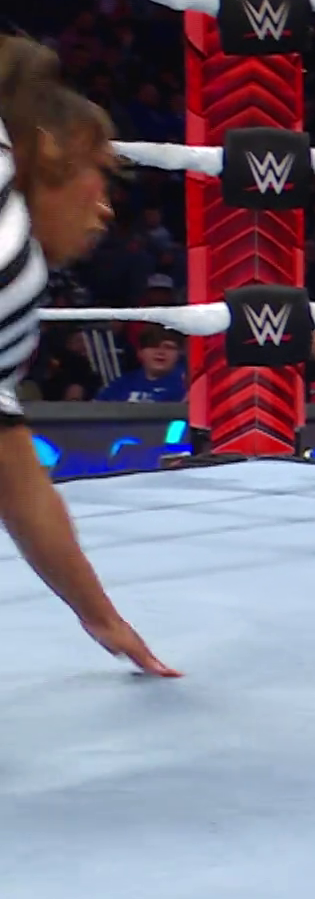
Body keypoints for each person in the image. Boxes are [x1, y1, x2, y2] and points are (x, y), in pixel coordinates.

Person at [0, 37, 175, 676]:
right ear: (53, 150)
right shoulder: (13, 262)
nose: (105, 210)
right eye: (99, 174)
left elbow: (16, 476)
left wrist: (100, 616)